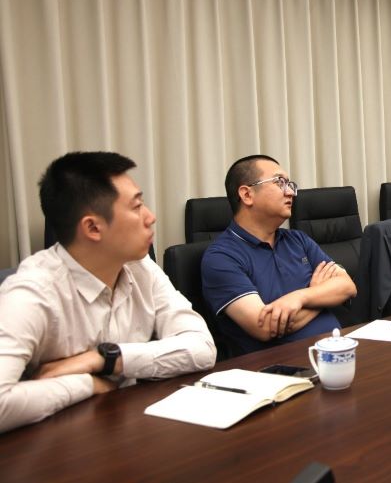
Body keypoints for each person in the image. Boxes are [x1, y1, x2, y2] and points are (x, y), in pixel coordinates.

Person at [0, 152, 216, 433]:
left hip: (127, 427)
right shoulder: (31, 293)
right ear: (92, 227)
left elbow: (203, 349)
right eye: (137, 207)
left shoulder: (140, 267)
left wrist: (107, 359)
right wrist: (86, 383)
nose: (150, 217)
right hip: (58, 441)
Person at [202, 155, 355, 354]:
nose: (290, 192)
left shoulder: (298, 240)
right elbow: (266, 326)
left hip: (338, 351)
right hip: (281, 365)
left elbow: (347, 286)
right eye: (279, 182)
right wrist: (321, 296)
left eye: (290, 184)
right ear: (247, 195)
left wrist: (301, 297)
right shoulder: (221, 257)